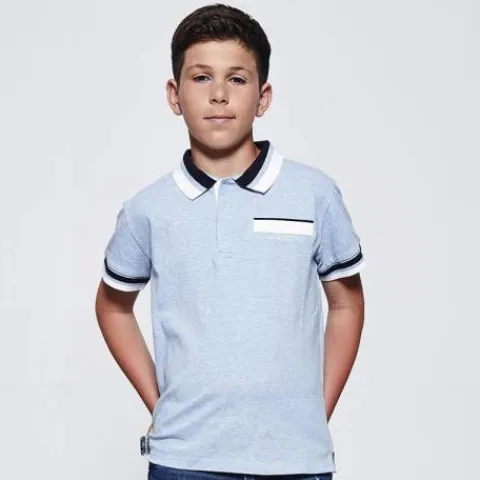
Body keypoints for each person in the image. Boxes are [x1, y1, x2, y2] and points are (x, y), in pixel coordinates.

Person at [95, 4, 366, 480]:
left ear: (263, 97)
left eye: (236, 79)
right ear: (174, 95)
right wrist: (161, 404)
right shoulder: (149, 209)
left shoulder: (314, 194)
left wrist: (313, 413)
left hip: (296, 463)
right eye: (201, 78)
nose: (219, 94)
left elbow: (346, 304)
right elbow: (113, 306)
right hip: (184, 462)